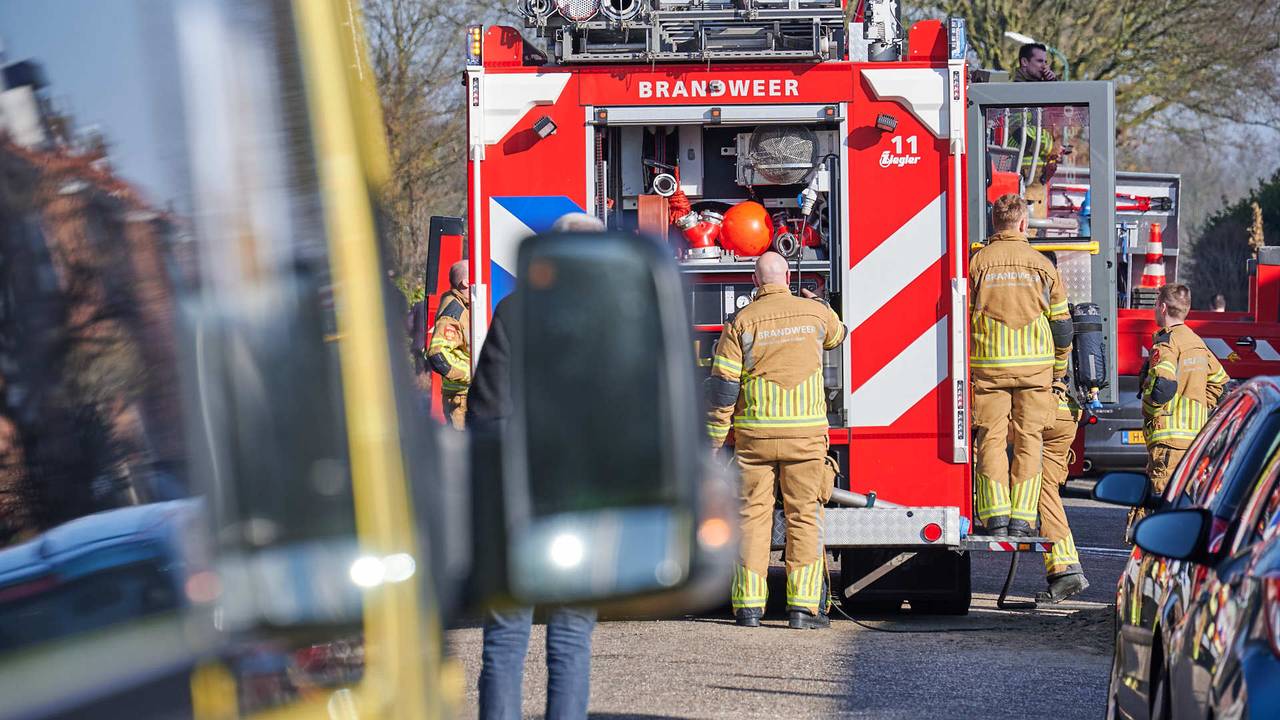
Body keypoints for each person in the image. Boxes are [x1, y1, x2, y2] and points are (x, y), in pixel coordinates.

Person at [472, 211, 605, 720]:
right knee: (571, 636)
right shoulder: (613, 318)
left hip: (516, 496)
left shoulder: (513, 309)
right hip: (581, 500)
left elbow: (487, 411)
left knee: (505, 637)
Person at [707, 251, 848, 630]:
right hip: (805, 438)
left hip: (755, 439)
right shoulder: (815, 314)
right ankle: (803, 610)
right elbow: (839, 335)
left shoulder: (740, 322)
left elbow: (723, 390)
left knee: (753, 517)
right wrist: (818, 302)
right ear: (786, 275)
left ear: (755, 281)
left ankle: (748, 609)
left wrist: (714, 441)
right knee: (804, 516)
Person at [970, 194, 1072, 537]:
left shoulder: (976, 264)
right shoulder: (1043, 266)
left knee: (991, 438)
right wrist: (1059, 368)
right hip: (1036, 371)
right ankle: (1023, 519)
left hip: (989, 367)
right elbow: (1062, 325)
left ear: (994, 224)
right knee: (1030, 440)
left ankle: (996, 516)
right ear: (1023, 224)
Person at [1140, 284, 1230, 498]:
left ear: (1162, 307)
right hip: (1195, 442)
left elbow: (1163, 386)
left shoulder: (1167, 343)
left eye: (1155, 305)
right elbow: (1221, 383)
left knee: (1159, 507)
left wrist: (1151, 413)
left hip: (1168, 441)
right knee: (1185, 502)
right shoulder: (1197, 342)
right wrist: (1199, 406)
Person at [1036, 252, 1088, 602]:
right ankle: (1066, 569)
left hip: (1040, 409)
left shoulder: (1031, 312)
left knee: (1037, 488)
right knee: (1047, 491)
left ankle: (1066, 569)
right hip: (1067, 412)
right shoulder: (1065, 305)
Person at [427, 260, 471, 429]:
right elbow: (437, 355)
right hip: (460, 400)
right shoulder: (454, 312)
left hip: (465, 397)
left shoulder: (465, 306)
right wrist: (470, 372)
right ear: (466, 282)